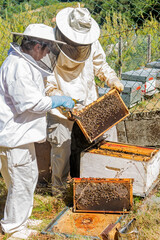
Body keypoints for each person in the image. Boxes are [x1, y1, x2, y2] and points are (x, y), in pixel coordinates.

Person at [0, 23, 75, 239]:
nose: (48, 53)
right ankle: (14, 228)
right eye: (47, 48)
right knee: (21, 182)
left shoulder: (21, 64)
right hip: (15, 140)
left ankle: (20, 219)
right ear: (37, 47)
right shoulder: (18, 67)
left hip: (20, 138)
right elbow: (30, 104)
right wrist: (57, 100)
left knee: (26, 178)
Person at [45, 7, 124, 189]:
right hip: (59, 106)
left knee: (106, 140)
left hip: (88, 100)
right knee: (61, 150)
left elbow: (100, 64)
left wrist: (111, 78)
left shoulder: (90, 41)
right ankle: (59, 190)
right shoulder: (49, 46)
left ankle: (106, 182)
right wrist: (65, 104)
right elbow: (47, 85)